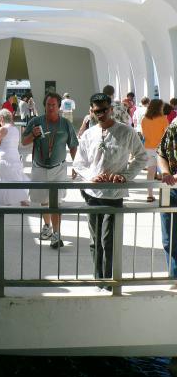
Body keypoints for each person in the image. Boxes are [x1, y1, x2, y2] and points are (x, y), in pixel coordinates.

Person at [73, 93, 147, 285]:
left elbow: (141, 157)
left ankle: (107, 281)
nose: (101, 114)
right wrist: (91, 177)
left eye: (104, 110)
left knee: (108, 239)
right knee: (95, 239)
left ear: (111, 109)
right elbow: (79, 163)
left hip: (114, 194)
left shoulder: (126, 132)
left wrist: (125, 176)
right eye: (97, 111)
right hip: (92, 194)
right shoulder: (88, 134)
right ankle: (98, 279)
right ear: (91, 111)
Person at [21, 92, 78, 248]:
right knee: (44, 201)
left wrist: (76, 165)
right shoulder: (35, 121)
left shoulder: (65, 124)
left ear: (59, 106)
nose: (51, 107)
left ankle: (56, 234)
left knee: (55, 202)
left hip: (58, 168)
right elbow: (24, 142)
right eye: (48, 104)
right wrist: (33, 135)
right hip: (39, 167)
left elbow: (73, 145)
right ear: (44, 105)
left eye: (53, 105)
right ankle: (47, 226)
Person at [0, 109, 29, 206]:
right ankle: (23, 199)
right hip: (15, 156)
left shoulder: (3, 129)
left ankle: (6, 202)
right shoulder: (15, 129)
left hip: (4, 157)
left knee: (4, 179)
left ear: (2, 118)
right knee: (17, 177)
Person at [157, 120, 177, 281]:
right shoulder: (174, 126)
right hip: (170, 190)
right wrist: (165, 172)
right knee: (169, 238)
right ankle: (174, 276)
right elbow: (161, 152)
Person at [141, 99, 168, 203]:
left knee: (150, 172)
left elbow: (143, 134)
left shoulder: (144, 119)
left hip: (148, 148)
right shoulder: (163, 118)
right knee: (165, 172)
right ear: (159, 107)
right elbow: (166, 135)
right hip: (160, 149)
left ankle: (150, 195)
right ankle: (165, 198)